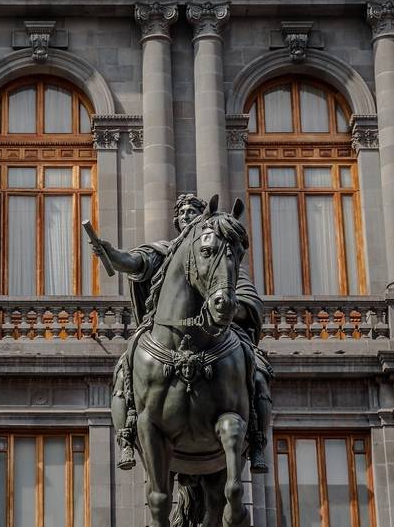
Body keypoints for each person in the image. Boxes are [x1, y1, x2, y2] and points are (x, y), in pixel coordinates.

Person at [94, 193, 273, 473]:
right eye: (183, 211)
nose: (187, 215)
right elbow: (133, 262)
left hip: (221, 335)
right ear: (176, 220)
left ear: (203, 218)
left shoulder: (221, 252)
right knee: (123, 369)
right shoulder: (161, 252)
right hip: (165, 335)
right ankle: (126, 436)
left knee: (259, 370)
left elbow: (247, 299)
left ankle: (257, 441)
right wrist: (111, 253)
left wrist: (228, 306)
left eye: (193, 210)